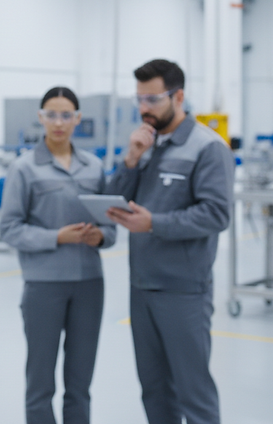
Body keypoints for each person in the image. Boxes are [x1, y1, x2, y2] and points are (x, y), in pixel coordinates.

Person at [104, 59, 235, 424]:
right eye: (139, 100)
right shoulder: (146, 145)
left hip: (183, 290)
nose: (144, 109)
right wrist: (130, 159)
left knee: (193, 392)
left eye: (153, 99)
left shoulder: (208, 148)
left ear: (178, 96)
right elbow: (113, 202)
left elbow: (216, 214)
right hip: (142, 287)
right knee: (154, 390)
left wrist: (153, 224)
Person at [0, 86, 116, 424]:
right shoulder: (24, 169)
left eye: (67, 115)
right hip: (43, 286)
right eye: (52, 114)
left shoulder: (93, 168)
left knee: (80, 383)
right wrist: (57, 237)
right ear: (41, 118)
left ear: (78, 119)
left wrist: (100, 236)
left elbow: (111, 227)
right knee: (40, 383)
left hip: (89, 284)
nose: (59, 122)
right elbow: (9, 228)